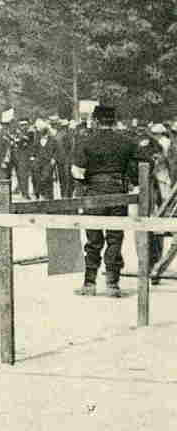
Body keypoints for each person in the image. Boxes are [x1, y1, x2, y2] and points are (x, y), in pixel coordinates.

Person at [71, 104, 144, 298]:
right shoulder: (127, 142)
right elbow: (142, 164)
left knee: (93, 239)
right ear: (114, 120)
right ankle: (112, 283)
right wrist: (132, 181)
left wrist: (85, 183)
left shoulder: (86, 141)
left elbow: (77, 172)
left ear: (95, 120)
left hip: (94, 193)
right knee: (115, 237)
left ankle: (89, 283)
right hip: (119, 192)